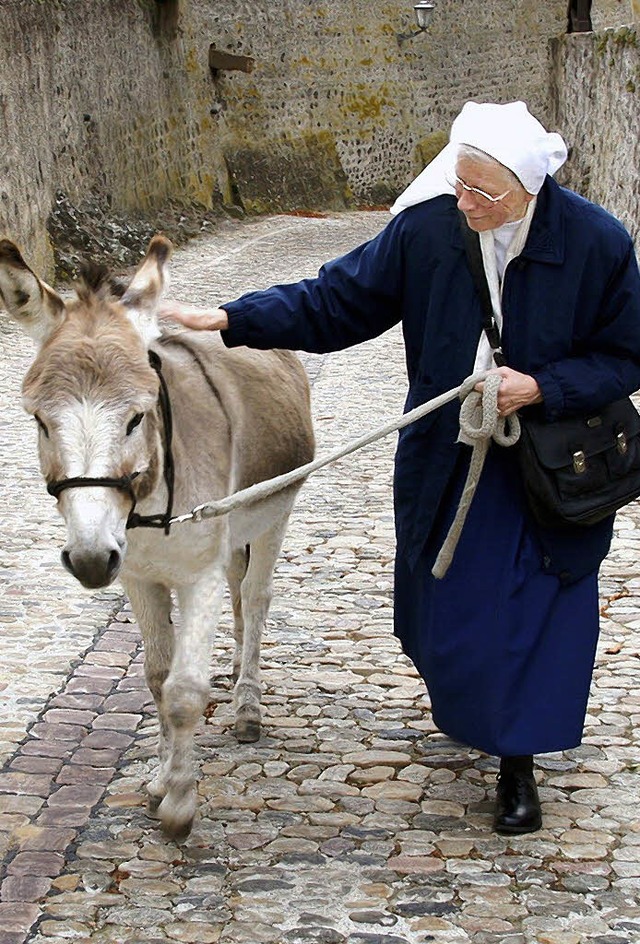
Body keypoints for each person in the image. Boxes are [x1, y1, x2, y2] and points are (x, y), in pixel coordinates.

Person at [163, 101, 640, 834]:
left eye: (485, 193)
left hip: (551, 464)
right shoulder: (430, 230)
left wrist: (542, 385)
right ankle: (477, 706)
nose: (467, 203)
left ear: (530, 189)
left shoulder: (597, 244)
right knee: (440, 607)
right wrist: (232, 319)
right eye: (460, 184)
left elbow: (625, 356)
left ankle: (518, 766)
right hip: (449, 457)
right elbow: (337, 301)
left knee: (536, 610)